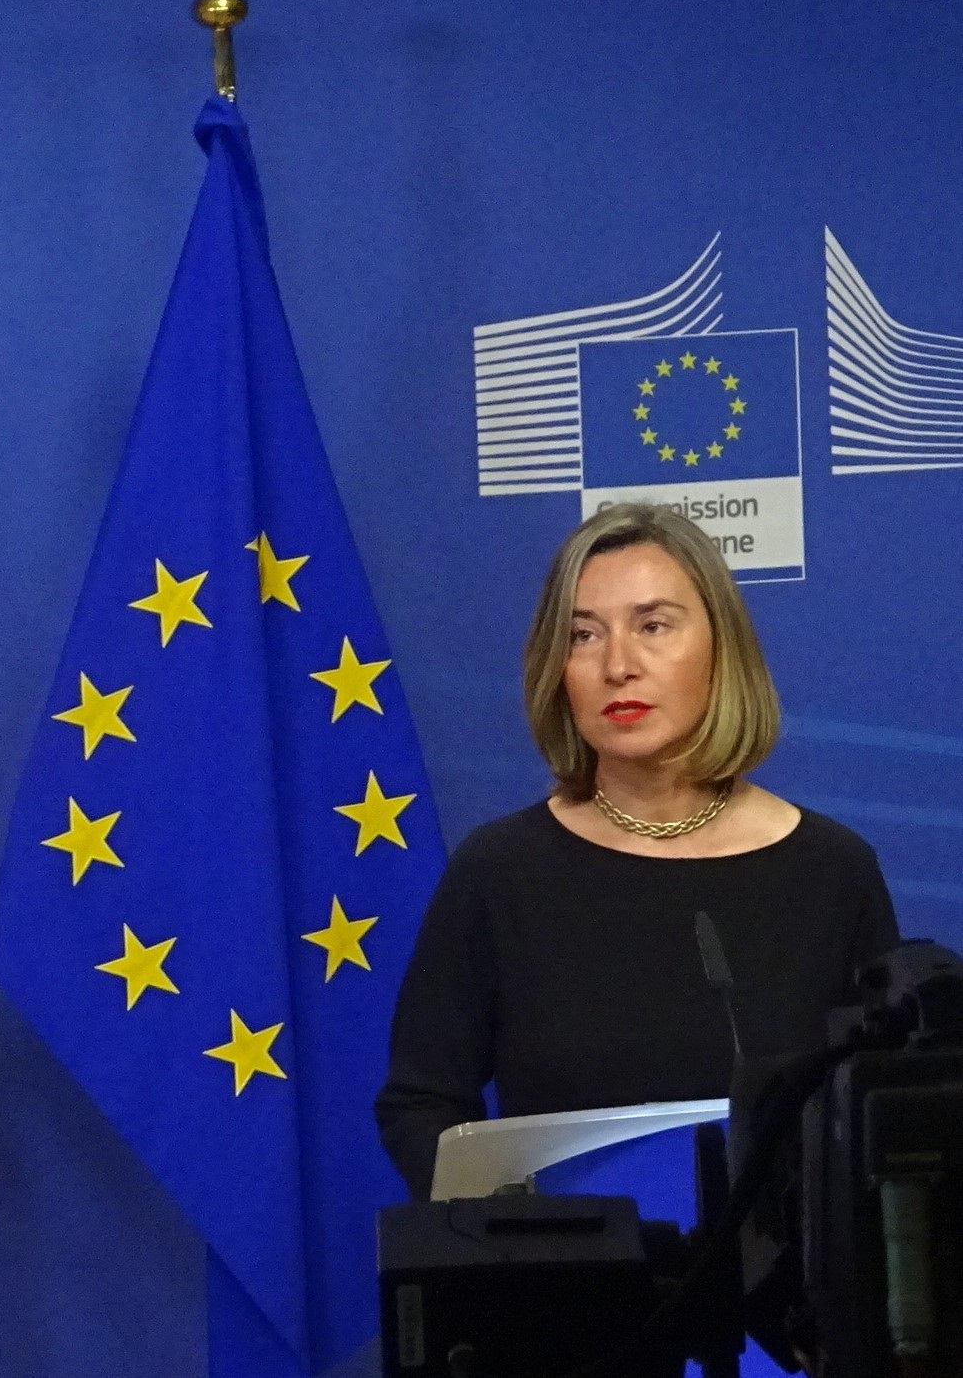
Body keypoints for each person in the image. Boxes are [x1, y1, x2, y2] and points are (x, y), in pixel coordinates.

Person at [374, 503, 898, 1198]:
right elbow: (419, 1103)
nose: (617, 664)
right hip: (571, 1287)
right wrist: (514, 1225)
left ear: (721, 647)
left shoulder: (832, 870)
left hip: (794, 1294)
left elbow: (887, 1113)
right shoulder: (499, 872)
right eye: (582, 635)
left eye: (652, 625)